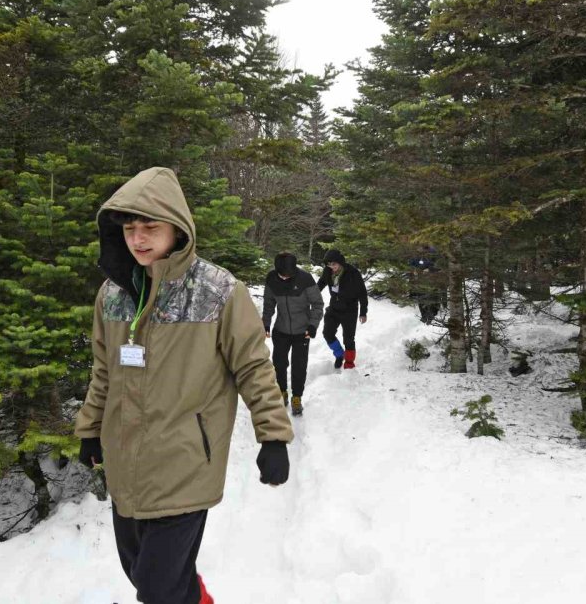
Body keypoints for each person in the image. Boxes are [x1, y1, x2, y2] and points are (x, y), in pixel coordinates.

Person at [75, 167, 293, 604]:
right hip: (125, 462)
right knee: (141, 572)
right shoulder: (113, 294)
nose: (138, 238)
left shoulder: (218, 292)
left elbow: (253, 366)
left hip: (185, 462)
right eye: (131, 228)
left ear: (177, 226)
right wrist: (90, 428)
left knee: (157, 590)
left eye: (149, 227)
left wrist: (273, 436)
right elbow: (105, 370)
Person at [262, 252, 324, 416]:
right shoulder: (272, 279)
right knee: (279, 364)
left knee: (299, 366)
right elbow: (268, 303)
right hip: (281, 330)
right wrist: (266, 322)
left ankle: (297, 397)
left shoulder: (305, 279)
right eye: (281, 275)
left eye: (287, 276)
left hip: (302, 332)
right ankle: (282, 392)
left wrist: (312, 325)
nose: (284, 278)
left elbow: (317, 304)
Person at [317, 249, 369, 370]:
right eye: (329, 265)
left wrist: (363, 312)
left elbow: (362, 293)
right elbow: (320, 284)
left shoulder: (353, 273)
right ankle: (340, 354)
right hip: (334, 308)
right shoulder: (327, 271)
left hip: (349, 310)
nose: (331, 267)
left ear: (340, 262)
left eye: (334, 264)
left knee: (349, 339)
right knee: (327, 333)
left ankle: (349, 363)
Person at [408, 245, 443, 325]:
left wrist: (430, 269)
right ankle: (424, 315)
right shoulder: (416, 254)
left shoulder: (434, 253)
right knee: (420, 296)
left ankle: (432, 314)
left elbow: (439, 265)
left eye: (419, 247)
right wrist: (413, 269)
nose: (418, 249)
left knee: (432, 296)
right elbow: (411, 262)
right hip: (420, 279)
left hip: (433, 279)